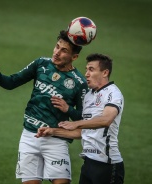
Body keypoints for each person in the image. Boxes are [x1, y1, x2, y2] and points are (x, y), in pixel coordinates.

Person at [0, 30, 88, 184]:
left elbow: (83, 121)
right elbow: (12, 82)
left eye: (63, 50)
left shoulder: (79, 82)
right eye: (57, 47)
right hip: (29, 137)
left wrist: (68, 109)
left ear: (74, 57)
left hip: (56, 140)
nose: (57, 52)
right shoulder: (41, 64)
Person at [36, 53, 125, 184]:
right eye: (86, 69)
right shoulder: (89, 96)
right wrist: (53, 131)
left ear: (105, 72)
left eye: (91, 69)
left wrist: (77, 123)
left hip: (107, 165)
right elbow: (82, 132)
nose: (86, 74)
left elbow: (106, 120)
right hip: (88, 163)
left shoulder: (113, 93)